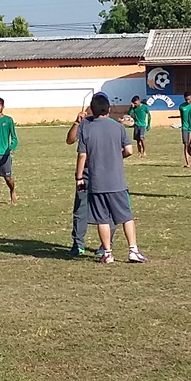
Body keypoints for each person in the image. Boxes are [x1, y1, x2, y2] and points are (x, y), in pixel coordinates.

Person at [75, 93, 146, 264]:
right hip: (117, 181)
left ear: (92, 109)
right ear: (108, 109)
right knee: (126, 216)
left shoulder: (86, 128)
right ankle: (133, 250)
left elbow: (82, 155)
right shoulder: (118, 127)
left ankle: (107, 253)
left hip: (97, 181)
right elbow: (129, 150)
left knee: (102, 218)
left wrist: (79, 178)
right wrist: (116, 155)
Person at [65, 93, 115, 256]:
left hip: (105, 174)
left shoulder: (112, 125)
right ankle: (78, 244)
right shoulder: (85, 123)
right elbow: (70, 140)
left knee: (107, 211)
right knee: (80, 209)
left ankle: (105, 245)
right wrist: (76, 123)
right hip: (87, 174)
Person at [179, 91, 191, 167]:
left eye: (189, 99)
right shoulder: (182, 106)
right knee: (186, 144)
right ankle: (188, 163)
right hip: (185, 128)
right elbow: (182, 117)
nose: (188, 101)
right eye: (186, 99)